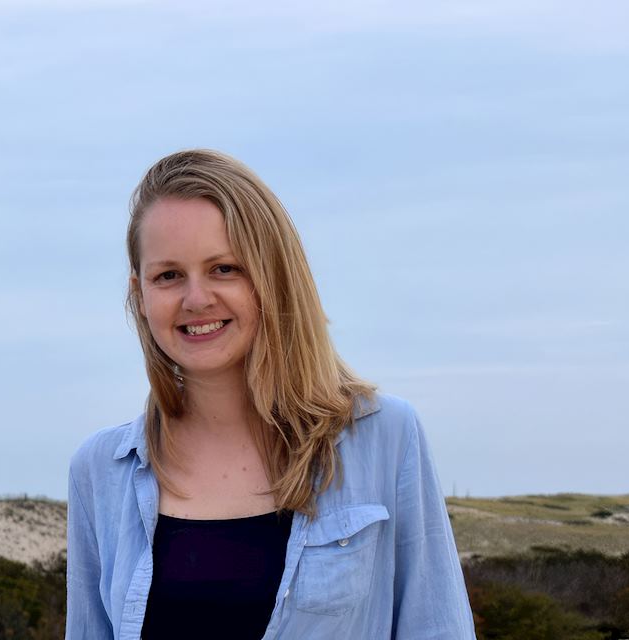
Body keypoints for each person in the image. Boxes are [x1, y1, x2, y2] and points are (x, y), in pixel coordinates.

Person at [64, 150, 474, 639]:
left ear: (273, 276)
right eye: (168, 275)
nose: (196, 299)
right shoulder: (99, 471)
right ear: (140, 294)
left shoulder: (384, 436)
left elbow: (438, 628)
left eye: (224, 268)